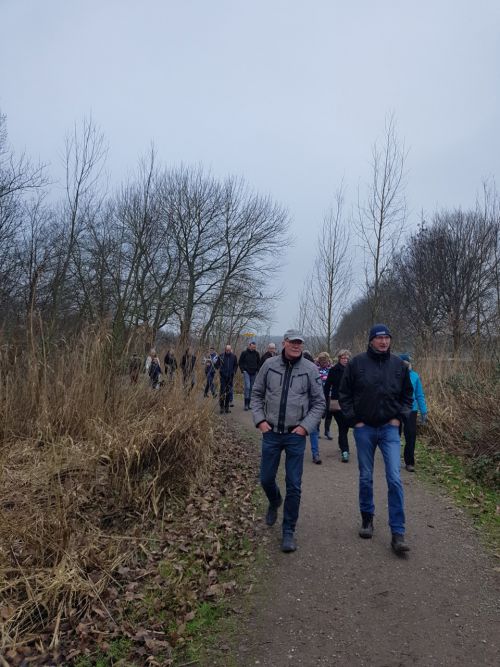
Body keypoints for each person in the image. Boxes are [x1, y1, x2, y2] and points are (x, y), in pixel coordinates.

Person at [339, 324, 413, 554]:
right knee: (366, 477)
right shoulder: (356, 363)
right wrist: (354, 420)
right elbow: (344, 394)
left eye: (387, 338)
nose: (383, 342)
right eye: (379, 338)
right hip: (364, 429)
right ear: (371, 340)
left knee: (394, 478)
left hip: (389, 429)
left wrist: (399, 418)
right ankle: (367, 519)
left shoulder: (399, 366)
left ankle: (398, 532)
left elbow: (407, 396)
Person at [251, 329, 325, 553]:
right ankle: (274, 501)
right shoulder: (269, 365)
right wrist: (260, 421)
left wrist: (305, 427)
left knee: (294, 484)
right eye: (292, 342)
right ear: (283, 343)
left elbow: (319, 403)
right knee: (265, 479)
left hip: (296, 435)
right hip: (271, 433)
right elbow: (256, 394)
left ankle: (288, 531)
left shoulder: (310, 369)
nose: (296, 345)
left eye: (299, 343)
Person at [399, 354, 428, 472]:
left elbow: (419, 394)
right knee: (394, 435)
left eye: (407, 363)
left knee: (410, 435)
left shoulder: (415, 376)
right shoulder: (394, 375)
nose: (406, 365)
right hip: (397, 408)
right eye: (403, 363)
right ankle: (393, 459)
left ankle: (409, 462)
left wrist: (424, 411)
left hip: (412, 409)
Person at [324, 349, 352, 462]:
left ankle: (343, 446)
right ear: (339, 358)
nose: (345, 360)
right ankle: (345, 450)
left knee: (344, 427)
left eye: (347, 358)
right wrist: (325, 402)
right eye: (343, 358)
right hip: (336, 403)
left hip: (348, 402)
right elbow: (327, 387)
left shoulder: (351, 370)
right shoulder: (333, 370)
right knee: (343, 425)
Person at [303, 350, 322, 464]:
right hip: (302, 408)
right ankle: (315, 454)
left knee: (313, 431)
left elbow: (318, 395)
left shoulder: (314, 373)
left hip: (310, 408)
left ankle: (315, 454)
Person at [216, 344, 238, 414]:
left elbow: (235, 365)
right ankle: (221, 407)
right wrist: (219, 369)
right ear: (225, 350)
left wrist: (234, 372)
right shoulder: (221, 356)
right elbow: (217, 365)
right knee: (222, 392)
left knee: (228, 392)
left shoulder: (234, 356)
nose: (228, 351)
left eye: (229, 350)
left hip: (230, 377)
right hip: (222, 376)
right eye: (227, 350)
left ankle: (227, 407)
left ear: (231, 350)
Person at [239, 341, 261, 410]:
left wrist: (257, 370)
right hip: (246, 372)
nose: (253, 348)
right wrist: (243, 370)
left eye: (254, 347)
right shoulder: (244, 353)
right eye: (252, 347)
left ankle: (249, 404)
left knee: (252, 388)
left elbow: (259, 362)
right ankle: (245, 404)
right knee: (247, 387)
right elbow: (240, 362)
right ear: (249, 346)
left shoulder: (257, 354)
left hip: (254, 373)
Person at [316, 352, 333, 439]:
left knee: (329, 411)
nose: (324, 364)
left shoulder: (331, 368)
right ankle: (317, 430)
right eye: (322, 362)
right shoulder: (315, 368)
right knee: (319, 411)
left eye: (325, 362)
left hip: (329, 392)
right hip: (318, 393)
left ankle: (327, 430)